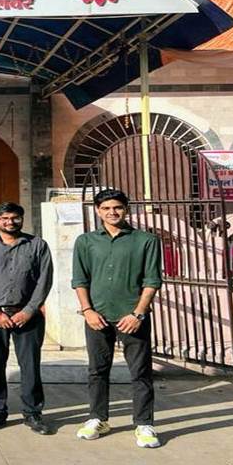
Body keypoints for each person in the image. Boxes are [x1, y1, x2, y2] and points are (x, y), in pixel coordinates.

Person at [72, 188, 163, 448]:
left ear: (126, 209)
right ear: (97, 211)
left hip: (132, 317)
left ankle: (144, 424)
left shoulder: (146, 240)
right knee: (97, 370)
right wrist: (87, 311)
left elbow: (152, 280)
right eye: (106, 208)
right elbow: (80, 280)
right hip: (97, 317)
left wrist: (138, 313)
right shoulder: (86, 241)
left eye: (117, 207)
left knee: (141, 372)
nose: (112, 212)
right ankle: (97, 418)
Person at [0, 202, 54, 434]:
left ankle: (33, 413)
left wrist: (29, 310)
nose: (10, 222)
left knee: (30, 365)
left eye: (15, 218)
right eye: (4, 218)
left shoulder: (37, 245)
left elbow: (44, 280)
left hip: (28, 315)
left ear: (21, 219)